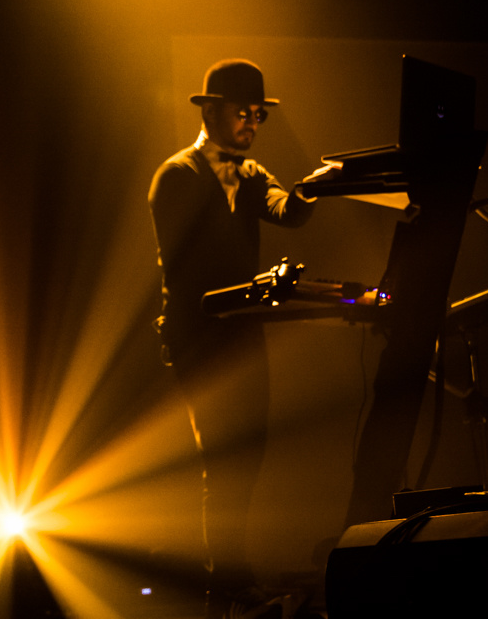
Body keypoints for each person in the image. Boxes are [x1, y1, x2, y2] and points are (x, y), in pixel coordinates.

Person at [148, 58, 317, 618]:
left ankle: (232, 579)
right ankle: (222, 584)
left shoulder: (251, 174)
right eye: (244, 113)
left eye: (259, 115)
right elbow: (183, 266)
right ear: (212, 111)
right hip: (199, 336)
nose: (252, 124)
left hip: (241, 333)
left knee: (248, 454)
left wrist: (317, 188)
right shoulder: (177, 174)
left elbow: (287, 213)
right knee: (221, 459)